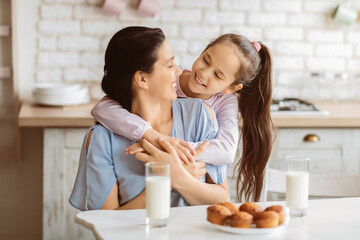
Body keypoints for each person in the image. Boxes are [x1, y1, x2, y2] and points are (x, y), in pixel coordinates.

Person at [91, 33, 274, 202]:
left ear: (230, 88)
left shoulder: (217, 107)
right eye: (205, 60)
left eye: (218, 75)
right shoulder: (169, 80)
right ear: (203, 51)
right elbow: (103, 108)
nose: (203, 73)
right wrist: (154, 137)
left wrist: (175, 154)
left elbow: (226, 150)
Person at [69, 26, 229, 211]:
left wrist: (180, 177)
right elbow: (106, 222)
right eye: (170, 65)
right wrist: (168, 180)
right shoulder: (102, 140)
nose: (179, 72)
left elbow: (224, 202)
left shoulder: (199, 115)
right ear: (142, 80)